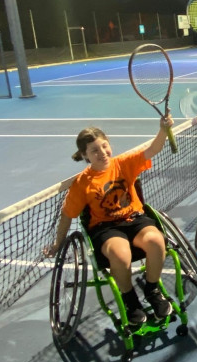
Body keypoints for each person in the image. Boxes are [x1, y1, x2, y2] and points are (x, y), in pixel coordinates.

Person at [46, 116, 175, 327]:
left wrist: (163, 130)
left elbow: (153, 150)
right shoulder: (82, 184)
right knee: (120, 253)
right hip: (106, 228)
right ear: (85, 156)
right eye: (94, 150)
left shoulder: (123, 163)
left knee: (156, 241)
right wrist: (57, 243)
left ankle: (152, 290)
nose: (102, 153)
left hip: (135, 219)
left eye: (104, 146)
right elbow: (67, 216)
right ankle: (130, 299)